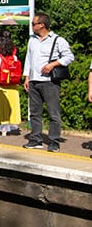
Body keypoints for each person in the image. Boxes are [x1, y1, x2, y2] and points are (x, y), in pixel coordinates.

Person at [22, 14, 75, 152]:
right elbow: (29, 58)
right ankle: (36, 139)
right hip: (34, 80)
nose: (32, 26)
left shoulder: (58, 40)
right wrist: (27, 77)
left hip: (49, 81)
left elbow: (69, 57)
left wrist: (53, 64)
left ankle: (54, 142)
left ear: (42, 25)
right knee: (34, 113)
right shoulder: (32, 40)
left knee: (53, 114)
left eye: (34, 23)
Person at [0, 33, 22, 136]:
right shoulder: (15, 53)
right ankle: (13, 124)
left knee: (2, 106)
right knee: (13, 104)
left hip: (2, 83)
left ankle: (3, 126)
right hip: (13, 84)